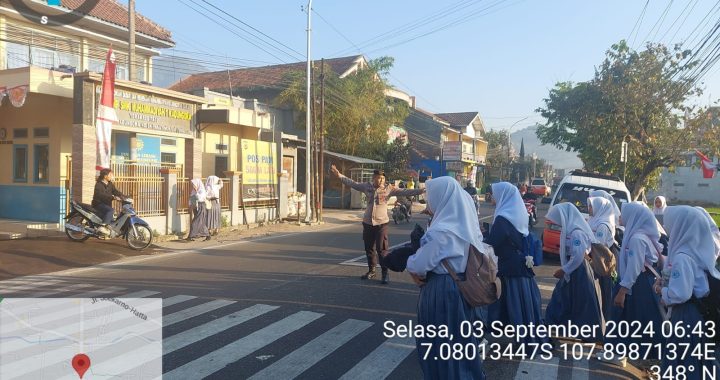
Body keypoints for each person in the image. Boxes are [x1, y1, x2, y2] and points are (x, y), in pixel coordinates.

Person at [406, 177, 486, 380]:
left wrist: (410, 264)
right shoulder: (467, 226)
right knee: (460, 344)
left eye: (430, 197)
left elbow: (419, 264)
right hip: (463, 289)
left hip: (442, 292)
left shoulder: (442, 231)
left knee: (441, 346)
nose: (428, 202)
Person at [330, 165, 424, 284]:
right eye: (378, 178)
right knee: (369, 248)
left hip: (382, 224)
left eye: (382, 178)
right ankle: (372, 271)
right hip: (368, 223)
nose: (381, 181)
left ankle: (385, 274)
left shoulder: (388, 188)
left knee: (382, 250)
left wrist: (421, 190)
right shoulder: (366, 186)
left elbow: (405, 191)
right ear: (374, 178)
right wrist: (339, 175)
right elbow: (352, 183)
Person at [656, 206, 720, 379]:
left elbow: (680, 293)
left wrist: (662, 290)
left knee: (681, 361)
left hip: (686, 315)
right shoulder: (697, 251)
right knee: (693, 361)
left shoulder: (682, 256)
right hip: (696, 314)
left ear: (680, 226)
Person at [484, 182, 546, 344]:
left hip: (508, 267)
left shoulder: (503, 218)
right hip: (518, 265)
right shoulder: (517, 213)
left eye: (495, 194)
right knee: (521, 306)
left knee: (512, 304)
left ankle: (520, 339)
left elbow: (493, 242)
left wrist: (483, 237)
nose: (493, 197)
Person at [605, 203, 664, 359]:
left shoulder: (637, 239)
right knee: (636, 320)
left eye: (623, 214)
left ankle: (619, 353)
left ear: (633, 217)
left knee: (628, 319)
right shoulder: (640, 235)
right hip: (640, 282)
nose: (619, 217)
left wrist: (623, 291)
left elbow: (634, 268)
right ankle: (622, 353)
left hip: (637, 284)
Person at [545, 203, 605, 340]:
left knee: (583, 302)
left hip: (579, 270)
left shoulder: (576, 232)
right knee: (565, 297)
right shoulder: (571, 230)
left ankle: (589, 333)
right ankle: (557, 324)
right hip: (574, 268)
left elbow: (578, 256)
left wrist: (564, 270)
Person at [587, 197, 618, 319]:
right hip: (595, 261)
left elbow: (598, 244)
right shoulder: (593, 221)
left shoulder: (603, 226)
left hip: (602, 264)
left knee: (605, 294)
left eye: (591, 206)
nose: (589, 209)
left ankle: (606, 324)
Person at [92, 168, 126, 235]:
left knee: (113, 216)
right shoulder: (98, 185)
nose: (112, 176)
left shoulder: (110, 184)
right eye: (110, 175)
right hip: (98, 204)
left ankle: (108, 229)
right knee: (111, 210)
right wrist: (113, 197)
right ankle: (102, 226)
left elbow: (115, 191)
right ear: (105, 176)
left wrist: (123, 196)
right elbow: (102, 195)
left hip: (106, 204)